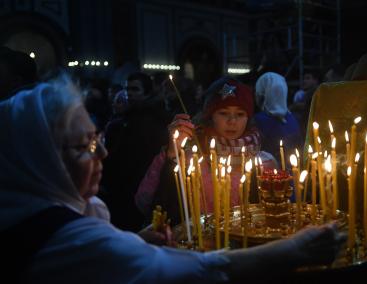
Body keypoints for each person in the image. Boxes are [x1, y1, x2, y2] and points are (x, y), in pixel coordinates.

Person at [0, 74, 346, 283]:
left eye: (98, 139)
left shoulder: (49, 209)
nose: (102, 154)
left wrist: (137, 241)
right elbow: (183, 270)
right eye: (83, 147)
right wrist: (294, 250)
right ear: (37, 159)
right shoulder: (59, 237)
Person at [135, 77, 279, 225]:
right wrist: (172, 154)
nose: (232, 121)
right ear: (210, 116)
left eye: (240, 114)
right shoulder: (189, 156)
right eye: (223, 113)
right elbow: (144, 201)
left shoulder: (265, 163)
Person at [101, 71, 169, 232]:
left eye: (135, 89)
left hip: (137, 186)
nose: (129, 93)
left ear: (146, 92)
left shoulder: (150, 118)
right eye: (127, 89)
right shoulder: (129, 117)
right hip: (122, 187)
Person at [254, 72, 303, 171]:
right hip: (295, 177)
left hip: (270, 179)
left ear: (263, 94)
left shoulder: (258, 121)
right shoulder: (294, 119)